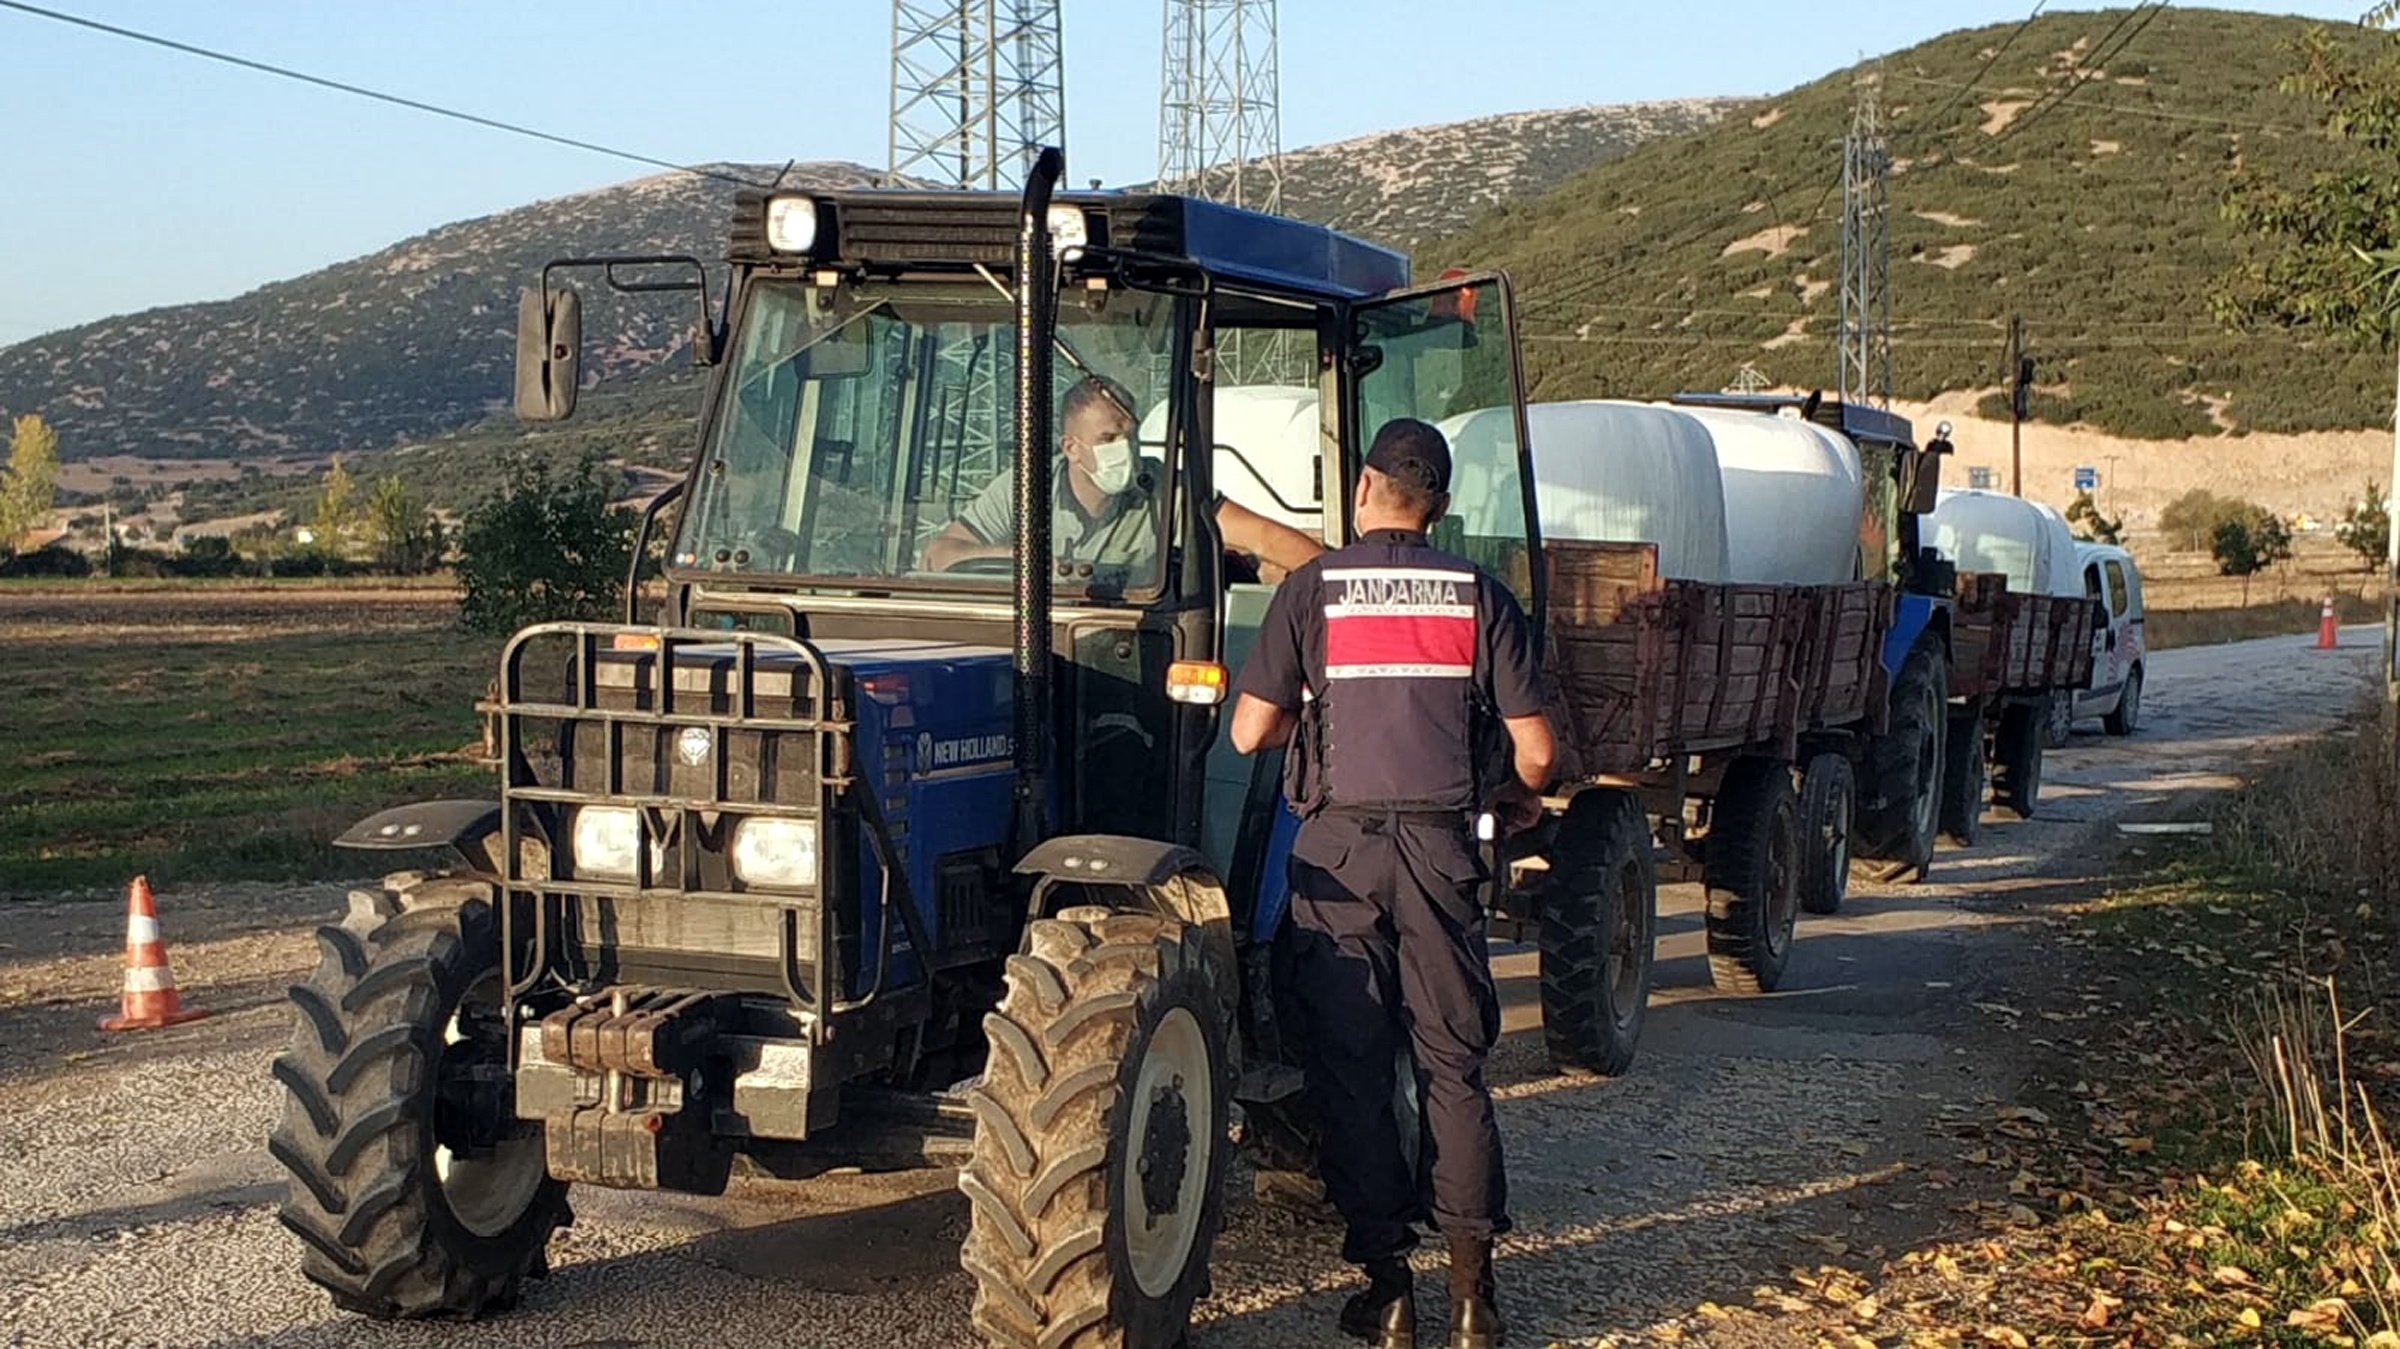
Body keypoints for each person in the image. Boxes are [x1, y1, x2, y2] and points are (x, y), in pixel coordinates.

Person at [1229, 417, 1555, 1349]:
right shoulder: (1478, 595)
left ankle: (1388, 1288)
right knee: (1453, 1065)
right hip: (1443, 854)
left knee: (1355, 1069)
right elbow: (1538, 752)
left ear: (1365, 488)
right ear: (1440, 507)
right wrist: (1507, 793)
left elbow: (1251, 731)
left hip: (1338, 861)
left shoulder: (1311, 590)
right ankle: (1472, 1298)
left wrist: (1326, 729)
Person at [919, 374, 1324, 583]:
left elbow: (1266, 538)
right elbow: (940, 554)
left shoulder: (1163, 489)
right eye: (1108, 439)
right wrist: (1025, 563)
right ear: (1071, 448)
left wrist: (1344, 581)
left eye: (1129, 436)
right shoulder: (1025, 488)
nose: (1124, 450)